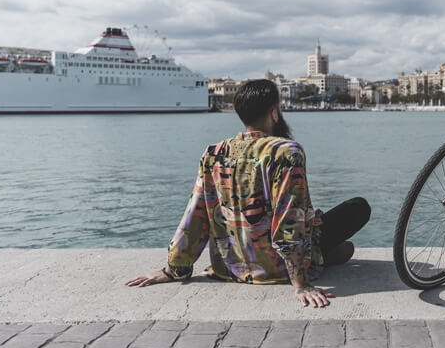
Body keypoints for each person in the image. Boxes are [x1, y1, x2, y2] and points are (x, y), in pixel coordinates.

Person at [126, 79, 371, 308]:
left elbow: (196, 213)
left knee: (328, 230)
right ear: (274, 113)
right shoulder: (286, 152)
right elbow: (288, 218)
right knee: (358, 208)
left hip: (230, 268)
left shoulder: (214, 152)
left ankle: (326, 253)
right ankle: (322, 255)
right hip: (277, 269)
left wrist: (173, 269)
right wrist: (300, 285)